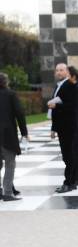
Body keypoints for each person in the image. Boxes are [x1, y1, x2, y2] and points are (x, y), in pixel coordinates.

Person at [48, 62, 78, 192]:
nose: (59, 72)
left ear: (67, 72)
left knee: (69, 156)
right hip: (63, 127)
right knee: (67, 156)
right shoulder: (59, 87)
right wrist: (53, 128)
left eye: (61, 70)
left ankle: (69, 182)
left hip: (69, 128)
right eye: (57, 70)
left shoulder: (70, 86)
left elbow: (74, 107)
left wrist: (57, 106)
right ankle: (71, 181)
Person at [0, 72, 29, 201]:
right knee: (10, 164)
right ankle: (7, 192)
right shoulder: (11, 94)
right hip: (7, 135)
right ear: (6, 82)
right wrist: (24, 132)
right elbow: (19, 114)